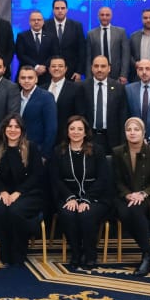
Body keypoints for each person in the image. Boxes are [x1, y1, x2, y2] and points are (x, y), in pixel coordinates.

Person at [51, 115, 112, 270]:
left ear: (85, 132)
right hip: (68, 196)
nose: (76, 132)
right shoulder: (59, 151)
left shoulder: (97, 150)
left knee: (86, 214)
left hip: (95, 197)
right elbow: (56, 179)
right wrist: (69, 197)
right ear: (67, 131)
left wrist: (86, 199)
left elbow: (103, 178)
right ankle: (76, 252)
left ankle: (90, 254)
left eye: (80, 129)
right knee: (68, 214)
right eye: (72, 129)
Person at [0, 114, 45, 266]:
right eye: (9, 126)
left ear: (22, 130)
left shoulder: (31, 148)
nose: (13, 130)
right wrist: (2, 191)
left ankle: (18, 253)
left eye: (16, 127)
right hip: (2, 192)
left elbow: (37, 175)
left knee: (15, 210)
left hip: (28, 193)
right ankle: (5, 253)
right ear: (4, 129)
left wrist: (18, 192)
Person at [112, 117, 150, 276]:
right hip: (125, 196)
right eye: (129, 130)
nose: (132, 133)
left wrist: (142, 194)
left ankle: (146, 255)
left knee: (135, 211)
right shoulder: (118, 152)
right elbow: (117, 180)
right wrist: (128, 194)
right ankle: (148, 253)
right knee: (124, 212)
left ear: (143, 132)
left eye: (136, 129)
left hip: (147, 196)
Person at [76, 55, 127, 156]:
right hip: (88, 137)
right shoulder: (82, 86)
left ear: (109, 68)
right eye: (96, 66)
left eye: (103, 66)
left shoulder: (118, 87)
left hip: (112, 138)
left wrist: (123, 141)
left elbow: (123, 116)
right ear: (91, 68)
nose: (99, 69)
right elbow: (78, 113)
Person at [16, 65, 57, 156]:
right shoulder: (15, 96)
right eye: (23, 78)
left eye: (30, 78)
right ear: (19, 80)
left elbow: (51, 129)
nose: (26, 81)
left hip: (37, 151)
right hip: (16, 149)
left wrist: (44, 154)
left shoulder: (46, 97)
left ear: (36, 79)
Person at [43, 0, 86, 81]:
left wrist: (79, 71)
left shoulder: (76, 26)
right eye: (57, 8)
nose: (60, 11)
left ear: (67, 10)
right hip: (49, 73)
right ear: (53, 10)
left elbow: (82, 50)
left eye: (62, 8)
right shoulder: (45, 25)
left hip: (71, 73)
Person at [86, 7, 131, 82]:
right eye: (102, 15)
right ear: (98, 16)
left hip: (117, 75)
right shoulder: (91, 34)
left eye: (107, 15)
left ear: (111, 16)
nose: (104, 17)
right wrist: (88, 77)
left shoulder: (121, 32)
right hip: (97, 73)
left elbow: (125, 56)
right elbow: (88, 58)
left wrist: (123, 75)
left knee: (114, 90)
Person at [14, 10, 57, 80]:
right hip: (26, 75)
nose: (36, 22)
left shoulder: (51, 37)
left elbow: (54, 55)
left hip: (46, 74)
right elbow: (21, 55)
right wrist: (36, 67)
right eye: (33, 20)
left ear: (43, 22)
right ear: (29, 22)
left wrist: (44, 66)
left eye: (39, 20)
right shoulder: (22, 36)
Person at [45, 56, 79, 131]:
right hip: (44, 132)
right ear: (49, 69)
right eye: (53, 66)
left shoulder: (75, 89)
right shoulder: (41, 88)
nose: (56, 68)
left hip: (66, 133)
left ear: (66, 69)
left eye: (60, 66)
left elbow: (79, 114)